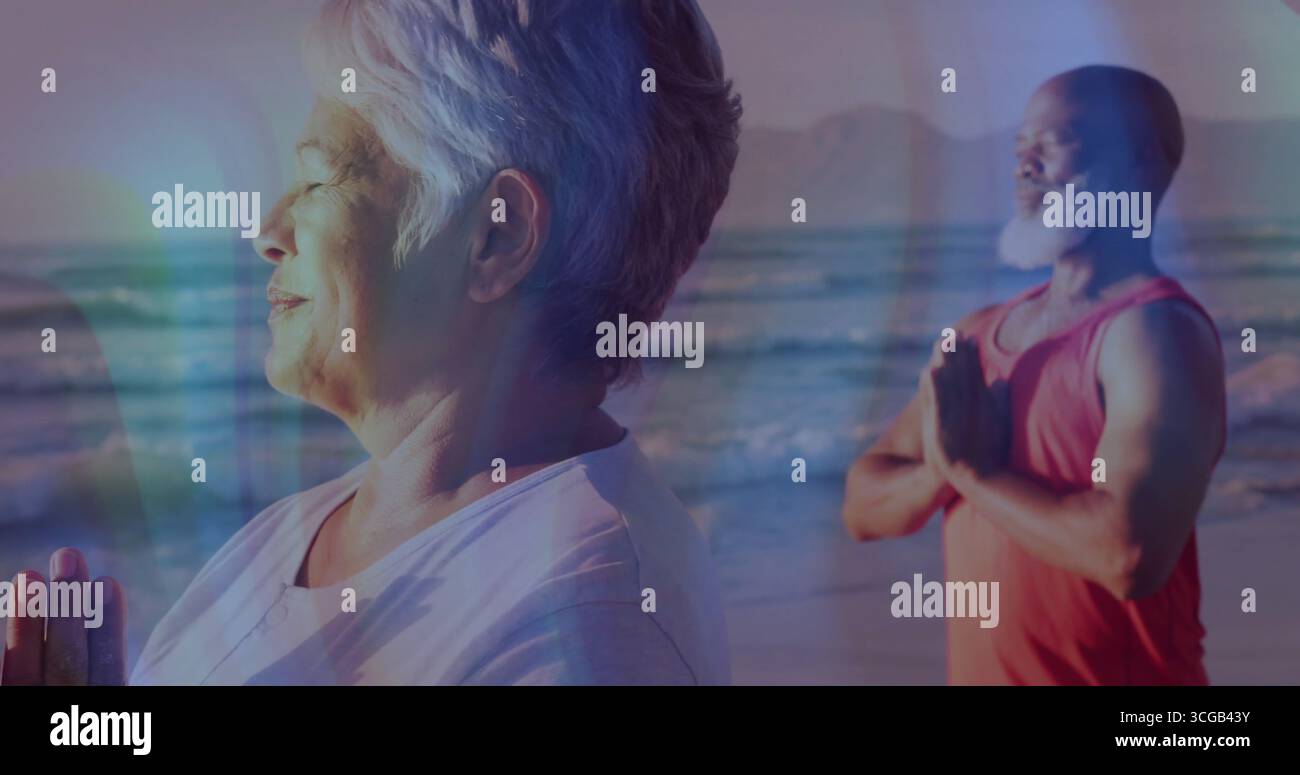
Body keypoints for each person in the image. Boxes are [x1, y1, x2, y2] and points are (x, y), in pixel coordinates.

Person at [2, 0, 741, 686]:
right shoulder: (281, 542)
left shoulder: (592, 621)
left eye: (319, 182)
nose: (268, 233)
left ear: (496, 236)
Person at [842, 66, 1226, 685]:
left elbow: (1126, 554)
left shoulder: (1157, 334)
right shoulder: (976, 334)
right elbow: (862, 506)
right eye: (1022, 145)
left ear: (1140, 162)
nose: (1025, 165)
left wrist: (975, 475)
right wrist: (939, 473)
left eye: (1057, 140)